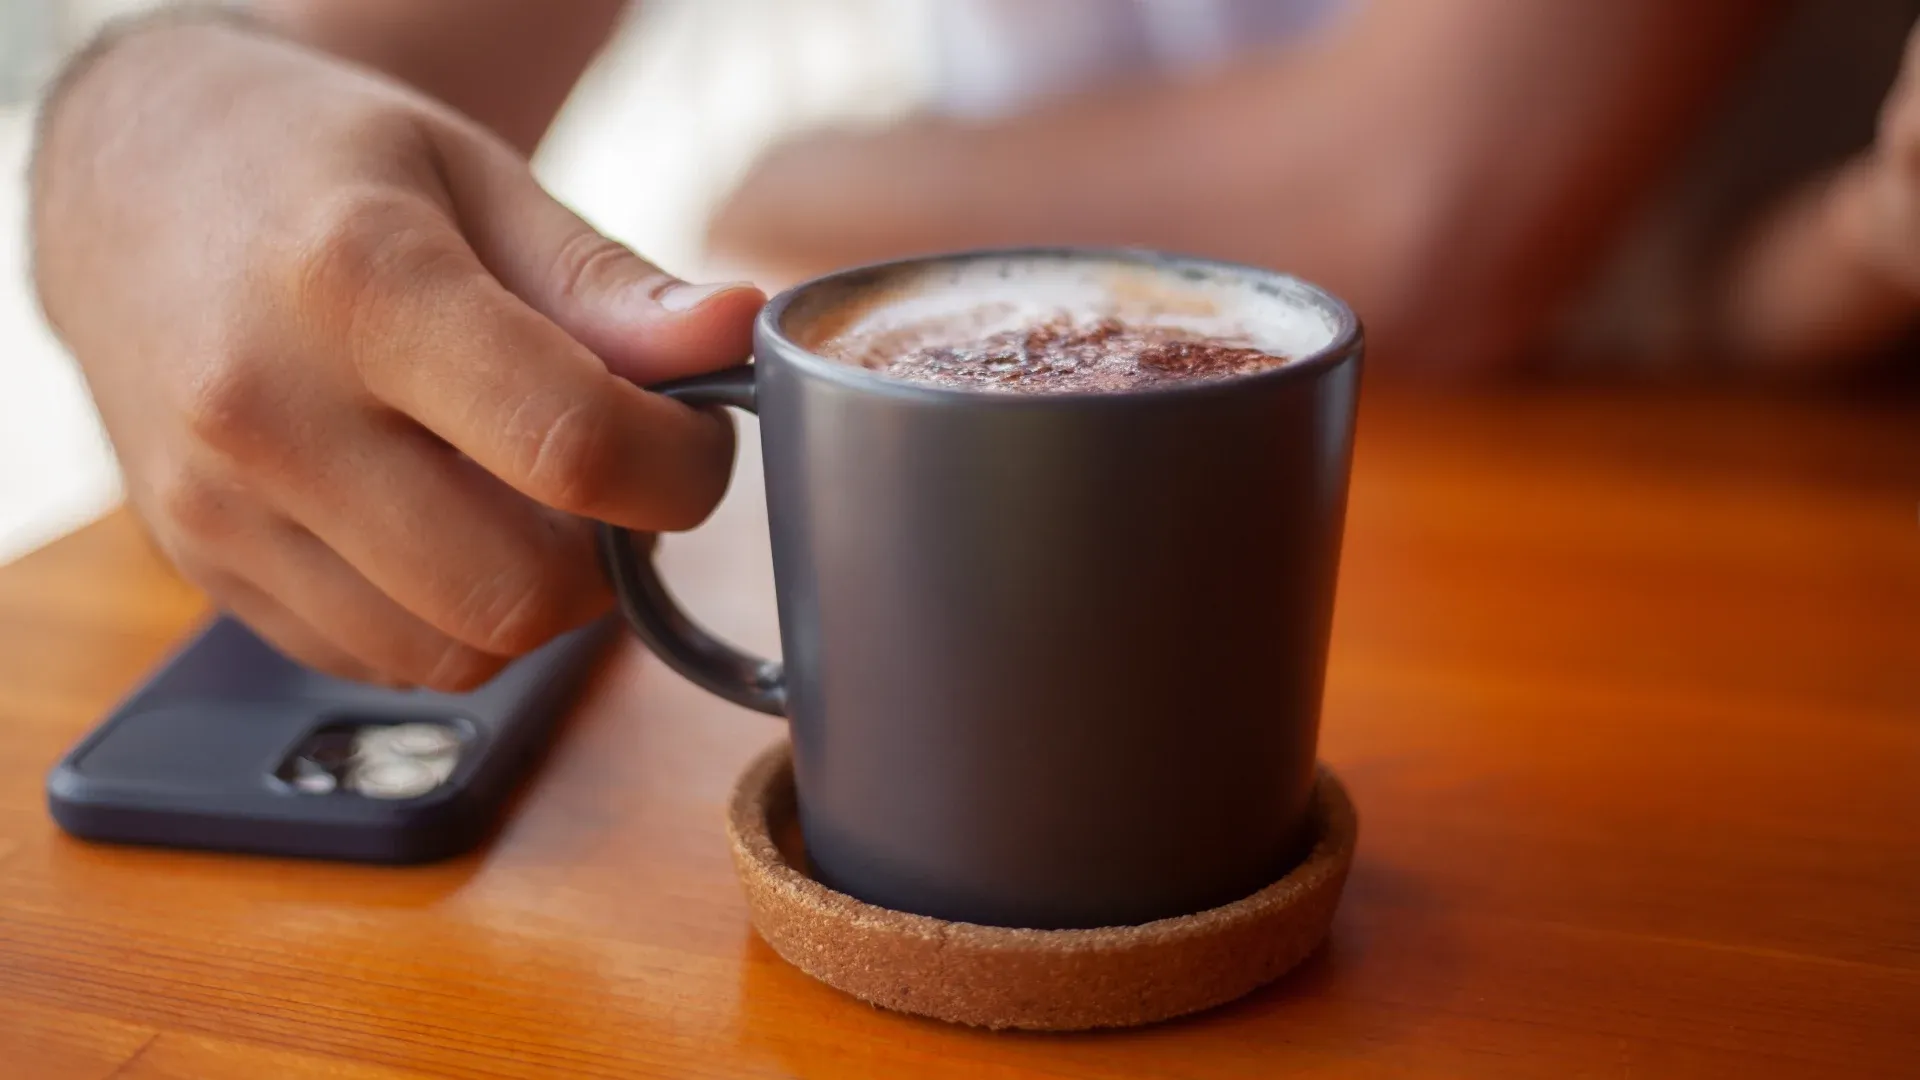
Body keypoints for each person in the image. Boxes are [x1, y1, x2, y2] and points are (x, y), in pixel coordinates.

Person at [27, 1, 1918, 691]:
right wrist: (139, 119)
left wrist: (807, 175)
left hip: (1738, 522)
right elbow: (355, 61)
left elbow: (1421, 214)